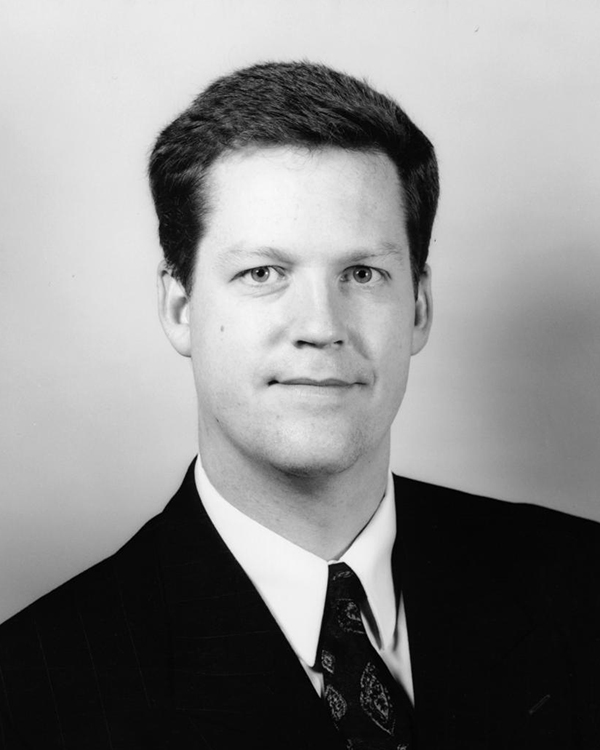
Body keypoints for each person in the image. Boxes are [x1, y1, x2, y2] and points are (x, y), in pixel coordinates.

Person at [0, 61, 599, 750]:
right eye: (262, 273)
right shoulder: (32, 696)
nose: (321, 325)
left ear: (419, 306)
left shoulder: (582, 586)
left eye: (363, 273)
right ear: (180, 307)